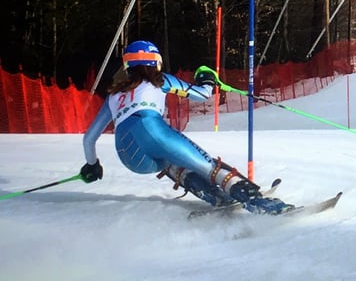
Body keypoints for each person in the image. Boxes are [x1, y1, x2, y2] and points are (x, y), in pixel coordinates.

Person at [80, 40, 291, 214]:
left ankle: (212, 195)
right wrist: (207, 79)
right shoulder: (159, 80)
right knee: (208, 166)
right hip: (151, 130)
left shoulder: (114, 94)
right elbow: (202, 95)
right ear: (156, 62)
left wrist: (92, 165)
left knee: (169, 162)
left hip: (129, 155)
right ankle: (260, 203)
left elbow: (89, 138)